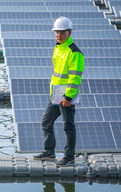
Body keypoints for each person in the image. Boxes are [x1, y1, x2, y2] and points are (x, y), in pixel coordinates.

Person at [33, 17, 85, 167]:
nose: (58, 35)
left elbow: (75, 78)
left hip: (66, 95)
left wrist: (68, 96)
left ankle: (69, 157)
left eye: (62, 32)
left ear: (69, 32)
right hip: (55, 94)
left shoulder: (74, 52)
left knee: (68, 126)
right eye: (56, 32)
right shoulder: (58, 47)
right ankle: (49, 152)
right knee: (46, 122)